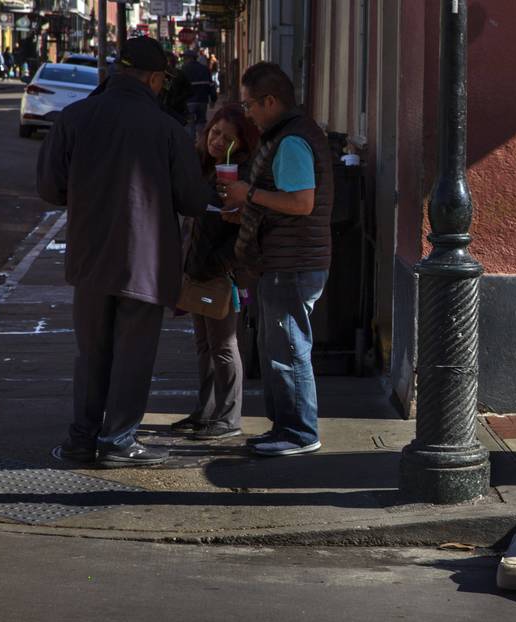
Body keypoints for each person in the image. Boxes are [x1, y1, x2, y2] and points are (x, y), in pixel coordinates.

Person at [36, 36, 213, 467]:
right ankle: (117, 440)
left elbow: (49, 188)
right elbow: (193, 199)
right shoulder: (167, 128)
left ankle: (82, 438)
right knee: (133, 356)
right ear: (154, 78)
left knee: (92, 352)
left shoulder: (74, 118)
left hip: (90, 258)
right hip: (145, 264)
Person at [219, 61, 333, 457]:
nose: (247, 113)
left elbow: (302, 203)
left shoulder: (292, 141)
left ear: (270, 101)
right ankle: (285, 427)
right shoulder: (288, 135)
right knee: (280, 346)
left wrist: (248, 195)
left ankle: (300, 432)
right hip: (286, 258)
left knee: (288, 347)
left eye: (250, 104)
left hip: (292, 261)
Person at [169, 104, 260, 441]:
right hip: (197, 269)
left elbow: (244, 231)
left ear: (242, 145)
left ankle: (229, 417)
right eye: (215, 132)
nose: (218, 141)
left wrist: (224, 265)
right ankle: (206, 411)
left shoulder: (238, 176)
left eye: (228, 137)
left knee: (224, 344)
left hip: (224, 274)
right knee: (204, 344)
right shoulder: (202, 166)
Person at [179, 50, 213, 138]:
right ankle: (202, 143)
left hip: (189, 102)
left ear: (188, 58)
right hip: (202, 100)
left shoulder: (183, 70)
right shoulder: (204, 69)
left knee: (190, 124)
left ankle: (192, 146)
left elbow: (179, 87)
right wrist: (213, 99)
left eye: (184, 58)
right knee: (201, 123)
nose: (184, 60)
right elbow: (211, 85)